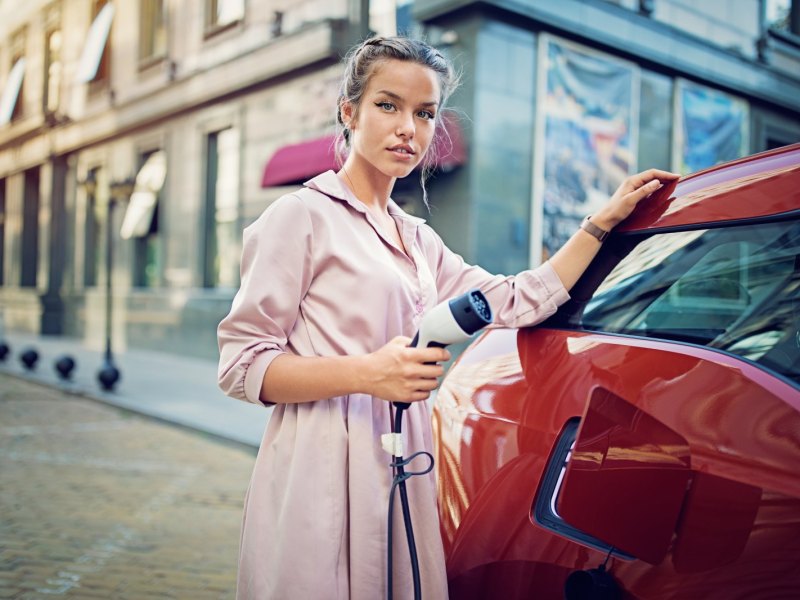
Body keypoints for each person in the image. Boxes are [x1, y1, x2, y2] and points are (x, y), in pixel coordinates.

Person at [217, 36, 679, 600]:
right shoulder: (299, 217)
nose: (407, 127)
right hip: (320, 460)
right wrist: (367, 374)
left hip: (404, 456)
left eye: (424, 113)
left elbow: (520, 299)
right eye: (388, 105)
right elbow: (241, 365)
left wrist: (599, 225)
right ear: (349, 111)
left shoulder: (418, 239)